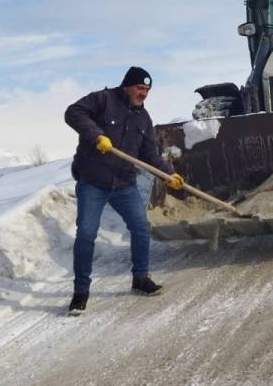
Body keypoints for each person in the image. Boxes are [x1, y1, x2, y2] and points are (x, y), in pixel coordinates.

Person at [63, 66, 184, 313]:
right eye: (140, 88)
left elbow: (149, 154)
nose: (144, 94)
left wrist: (168, 174)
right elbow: (72, 112)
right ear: (127, 85)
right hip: (93, 182)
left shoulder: (143, 118)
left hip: (124, 184)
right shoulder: (103, 100)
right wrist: (96, 135)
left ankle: (140, 278)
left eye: (147, 90)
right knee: (86, 234)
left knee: (141, 228)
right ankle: (80, 291)